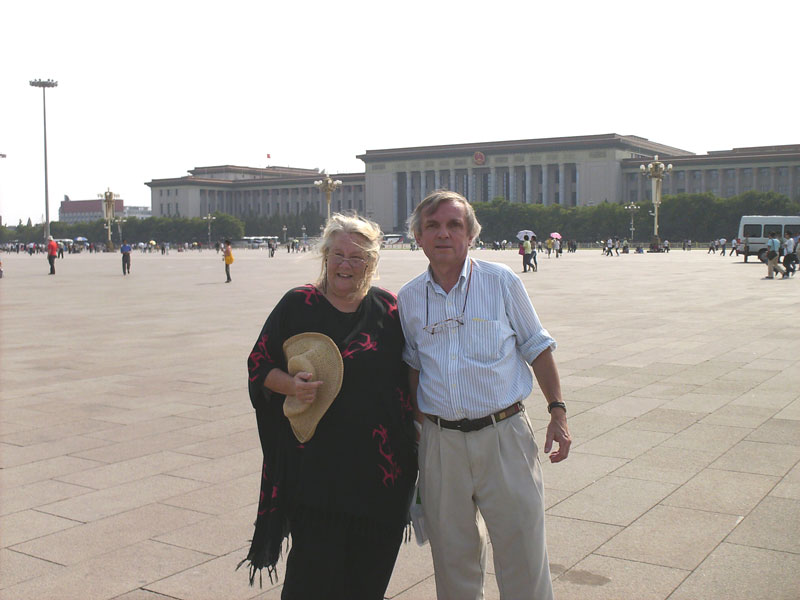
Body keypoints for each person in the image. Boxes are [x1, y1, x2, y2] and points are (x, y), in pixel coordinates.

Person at [398, 190, 570, 600]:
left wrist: (558, 412)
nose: (443, 234)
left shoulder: (500, 282)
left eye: (454, 225)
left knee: (523, 557)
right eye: (432, 226)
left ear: (471, 235)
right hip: (442, 445)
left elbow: (537, 347)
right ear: (418, 237)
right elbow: (412, 368)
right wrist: (420, 430)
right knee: (453, 561)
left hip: (504, 435)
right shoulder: (407, 299)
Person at [240, 214, 416, 599]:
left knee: (366, 585)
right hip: (318, 478)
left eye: (357, 257)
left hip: (382, 480)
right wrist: (290, 385)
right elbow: (258, 364)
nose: (345, 265)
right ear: (325, 256)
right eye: (338, 254)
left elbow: (417, 378)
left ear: (372, 262)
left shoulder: (390, 310)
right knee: (310, 583)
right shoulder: (298, 304)